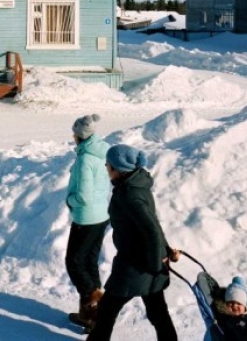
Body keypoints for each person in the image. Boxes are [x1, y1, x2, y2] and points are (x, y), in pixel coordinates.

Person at [86, 144, 180, 341]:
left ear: (118, 169)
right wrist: (166, 251)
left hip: (135, 264)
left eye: (108, 165)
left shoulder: (129, 194)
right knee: (157, 312)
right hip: (148, 261)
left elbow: (151, 230)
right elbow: (152, 223)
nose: (106, 168)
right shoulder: (136, 186)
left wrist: (155, 265)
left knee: (107, 308)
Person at [65, 114, 111, 330]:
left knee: (74, 262)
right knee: (88, 261)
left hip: (86, 216)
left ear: (79, 136)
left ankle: (97, 303)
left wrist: (70, 200)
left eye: (74, 133)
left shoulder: (85, 158)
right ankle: (90, 314)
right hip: (100, 216)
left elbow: (83, 195)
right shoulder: (99, 153)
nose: (72, 136)